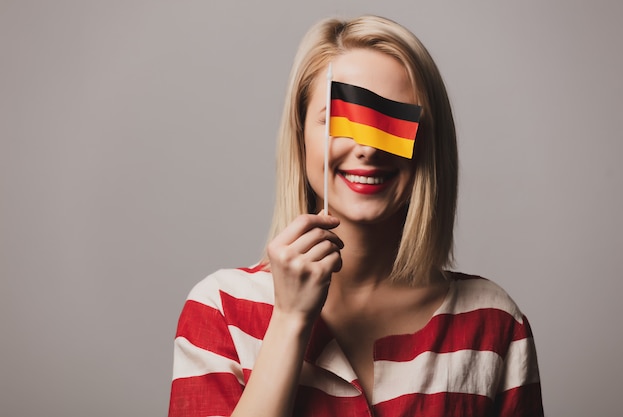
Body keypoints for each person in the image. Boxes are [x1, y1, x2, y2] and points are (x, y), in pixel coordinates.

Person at [168, 15, 544, 417]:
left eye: (391, 119)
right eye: (339, 119)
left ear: (428, 146)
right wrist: (291, 321)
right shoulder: (222, 309)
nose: (367, 148)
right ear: (301, 136)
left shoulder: (494, 322)